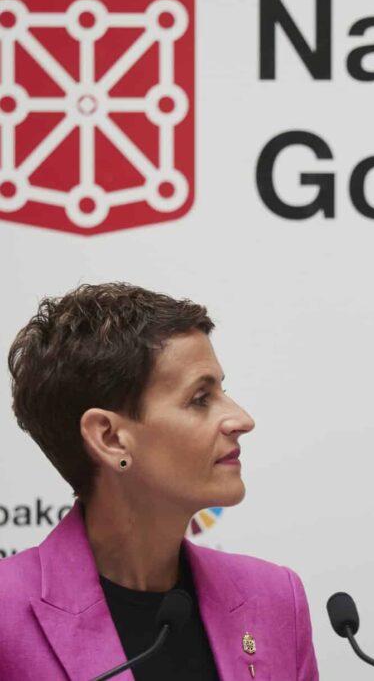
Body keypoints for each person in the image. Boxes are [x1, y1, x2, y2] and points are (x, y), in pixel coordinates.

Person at [0, 282, 319, 680]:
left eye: (223, 391)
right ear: (110, 438)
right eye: (200, 399)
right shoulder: (6, 613)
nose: (242, 419)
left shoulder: (274, 598)